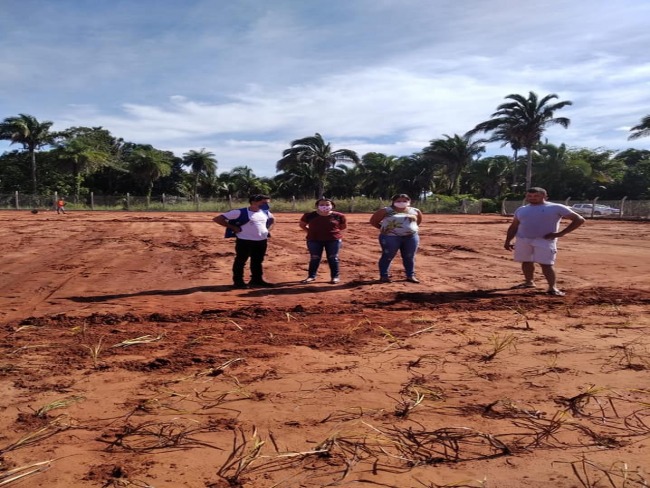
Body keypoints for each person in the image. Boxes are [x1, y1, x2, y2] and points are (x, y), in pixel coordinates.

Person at [504, 187, 585, 296]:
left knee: (546, 264)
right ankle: (529, 282)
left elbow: (579, 220)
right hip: (523, 239)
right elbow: (514, 226)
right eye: (529, 196)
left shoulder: (555, 207)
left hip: (545, 241)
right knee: (526, 261)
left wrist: (560, 233)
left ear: (544, 196)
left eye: (536, 196)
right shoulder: (522, 209)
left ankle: (552, 288)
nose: (532, 198)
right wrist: (508, 240)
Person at [214, 194, 274, 289]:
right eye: (263, 203)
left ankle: (256, 280)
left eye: (267, 203)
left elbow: (272, 220)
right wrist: (233, 227)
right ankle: (238, 282)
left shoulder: (265, 212)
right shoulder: (239, 212)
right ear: (254, 202)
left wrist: (268, 230)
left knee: (257, 261)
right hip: (244, 241)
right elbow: (218, 219)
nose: (266, 205)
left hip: (261, 241)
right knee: (241, 261)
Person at [369, 193, 423, 283]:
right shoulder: (385, 211)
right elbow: (374, 221)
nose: (401, 203)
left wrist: (409, 229)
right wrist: (385, 229)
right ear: (393, 201)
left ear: (409, 201)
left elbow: (418, 222)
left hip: (411, 237)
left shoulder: (415, 211)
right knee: (387, 256)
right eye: (398, 201)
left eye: (404, 201)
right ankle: (384, 276)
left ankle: (410, 275)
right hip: (390, 237)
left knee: (409, 257)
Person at [299, 198, 347, 284]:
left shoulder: (339, 216)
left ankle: (335, 277)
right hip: (314, 240)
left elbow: (343, 226)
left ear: (332, 205)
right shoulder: (309, 215)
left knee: (333, 258)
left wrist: (333, 232)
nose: (324, 206)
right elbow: (302, 225)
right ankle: (311, 276)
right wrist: (310, 232)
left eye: (327, 204)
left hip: (333, 240)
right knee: (314, 258)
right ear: (317, 206)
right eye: (321, 205)